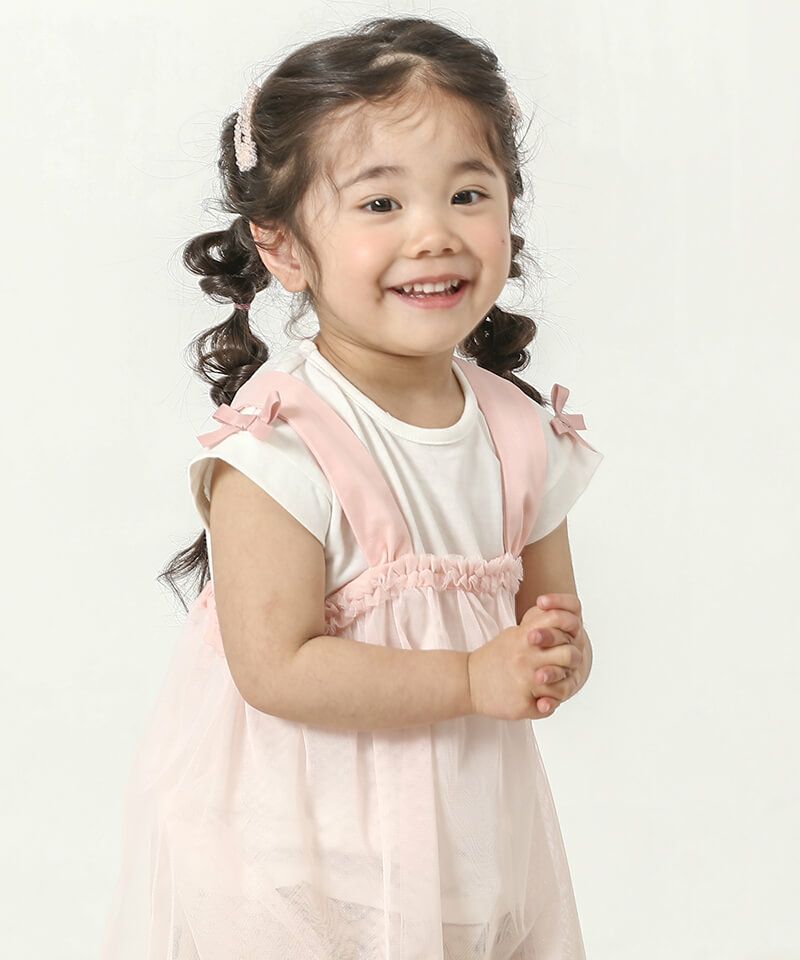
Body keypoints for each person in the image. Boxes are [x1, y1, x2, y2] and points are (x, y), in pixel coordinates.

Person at [100, 15, 604, 960]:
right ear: (285, 248)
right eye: (380, 203)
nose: (434, 233)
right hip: (298, 865)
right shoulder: (287, 444)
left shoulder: (521, 433)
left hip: (466, 851)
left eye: (467, 194)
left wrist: (555, 657)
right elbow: (276, 666)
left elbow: (545, 617)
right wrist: (469, 677)